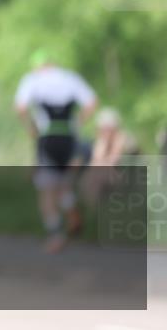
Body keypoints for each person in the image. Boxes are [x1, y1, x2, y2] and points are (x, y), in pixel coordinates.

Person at [14, 50, 98, 254]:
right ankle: (72, 210)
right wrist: (78, 122)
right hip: (70, 138)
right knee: (64, 184)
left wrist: (31, 127)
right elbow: (91, 103)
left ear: (38, 66)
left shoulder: (32, 79)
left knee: (47, 190)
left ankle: (55, 235)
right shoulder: (70, 78)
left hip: (48, 139)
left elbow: (20, 107)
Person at [82, 108, 140, 207]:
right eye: (102, 129)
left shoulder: (124, 139)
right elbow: (95, 161)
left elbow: (115, 160)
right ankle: (94, 208)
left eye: (108, 128)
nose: (105, 132)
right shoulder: (99, 142)